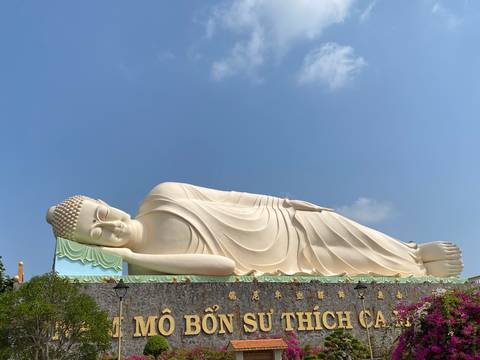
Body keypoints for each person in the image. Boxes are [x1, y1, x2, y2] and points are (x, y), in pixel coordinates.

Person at [46, 182, 463, 277]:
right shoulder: (144, 262)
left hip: (280, 221)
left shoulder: (161, 195)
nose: (111, 225)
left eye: (102, 212)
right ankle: (418, 269)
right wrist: (134, 258)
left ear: (105, 200)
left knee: (350, 230)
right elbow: (224, 265)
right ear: (91, 246)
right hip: (277, 258)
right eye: (97, 234)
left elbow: (230, 198)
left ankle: (411, 248)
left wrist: (281, 203)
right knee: (356, 265)